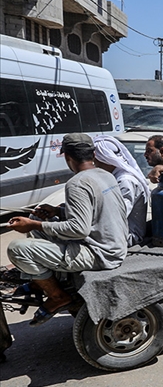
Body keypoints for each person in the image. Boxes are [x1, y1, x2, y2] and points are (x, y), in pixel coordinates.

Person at [6, 133, 128, 326]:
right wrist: (58, 211)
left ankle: (57, 296)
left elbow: (79, 230)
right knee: (37, 221)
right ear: (92, 154)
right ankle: (43, 281)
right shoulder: (105, 174)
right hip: (114, 246)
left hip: (100, 253)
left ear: (67, 157)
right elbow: (95, 212)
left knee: (17, 248)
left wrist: (33, 225)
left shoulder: (77, 183)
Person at [93, 135, 150, 247]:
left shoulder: (125, 181)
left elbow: (116, 216)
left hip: (128, 235)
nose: (95, 164)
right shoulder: (114, 177)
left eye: (96, 160)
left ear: (106, 159)